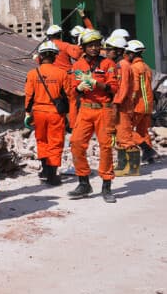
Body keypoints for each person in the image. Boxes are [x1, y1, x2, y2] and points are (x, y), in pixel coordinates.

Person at [68, 29, 118, 203]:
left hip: (104, 109)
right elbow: (73, 90)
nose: (95, 48)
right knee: (75, 143)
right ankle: (84, 182)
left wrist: (98, 83)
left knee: (105, 147)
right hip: (86, 109)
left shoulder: (108, 64)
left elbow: (114, 89)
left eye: (97, 44)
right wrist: (79, 88)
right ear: (83, 47)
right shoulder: (77, 66)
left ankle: (106, 186)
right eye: (91, 45)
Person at [24, 41, 74, 186]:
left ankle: (45, 171)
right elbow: (69, 96)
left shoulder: (32, 74)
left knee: (42, 141)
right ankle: (52, 175)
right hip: (55, 114)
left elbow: (29, 96)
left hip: (38, 113)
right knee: (55, 142)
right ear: (55, 57)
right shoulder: (62, 74)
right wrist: (70, 116)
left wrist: (27, 113)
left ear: (40, 57)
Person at [106, 35, 135, 177]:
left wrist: (116, 104)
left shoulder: (123, 65)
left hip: (122, 106)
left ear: (117, 51)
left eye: (109, 50)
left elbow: (122, 88)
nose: (106, 52)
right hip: (119, 105)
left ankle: (133, 167)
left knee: (125, 137)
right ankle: (123, 164)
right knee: (119, 137)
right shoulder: (117, 65)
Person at [126, 40, 157, 166]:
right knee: (143, 131)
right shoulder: (146, 67)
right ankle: (149, 157)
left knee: (127, 129)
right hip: (148, 105)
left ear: (132, 54)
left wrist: (129, 104)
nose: (126, 55)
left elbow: (135, 88)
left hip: (138, 105)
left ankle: (146, 149)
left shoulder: (134, 68)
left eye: (128, 53)